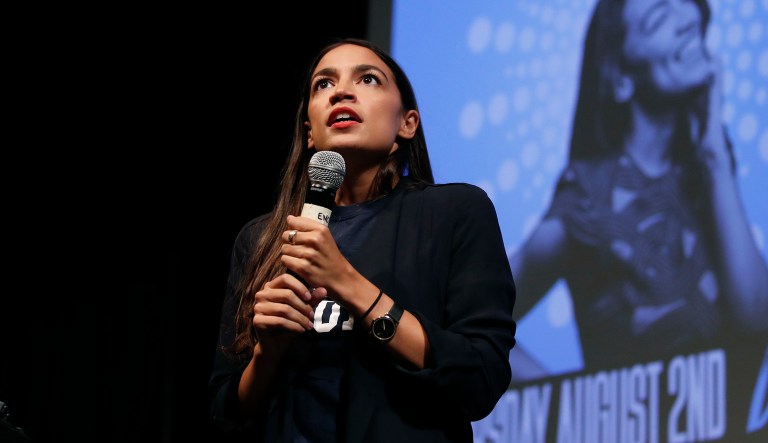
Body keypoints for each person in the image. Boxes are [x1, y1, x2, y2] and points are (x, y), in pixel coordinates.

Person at [208, 38, 517, 442]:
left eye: (368, 79)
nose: (341, 92)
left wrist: (346, 282)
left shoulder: (454, 211)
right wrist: (269, 353)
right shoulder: (261, 238)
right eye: (323, 84)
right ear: (310, 133)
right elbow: (227, 412)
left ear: (406, 124)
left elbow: (479, 378)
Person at [509, 0, 768, 379]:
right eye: (658, 18)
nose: (687, 20)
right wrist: (560, 406)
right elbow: (468, 319)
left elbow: (758, 324)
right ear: (620, 80)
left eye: (685, 4)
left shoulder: (705, 177)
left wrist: (714, 156)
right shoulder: (589, 196)